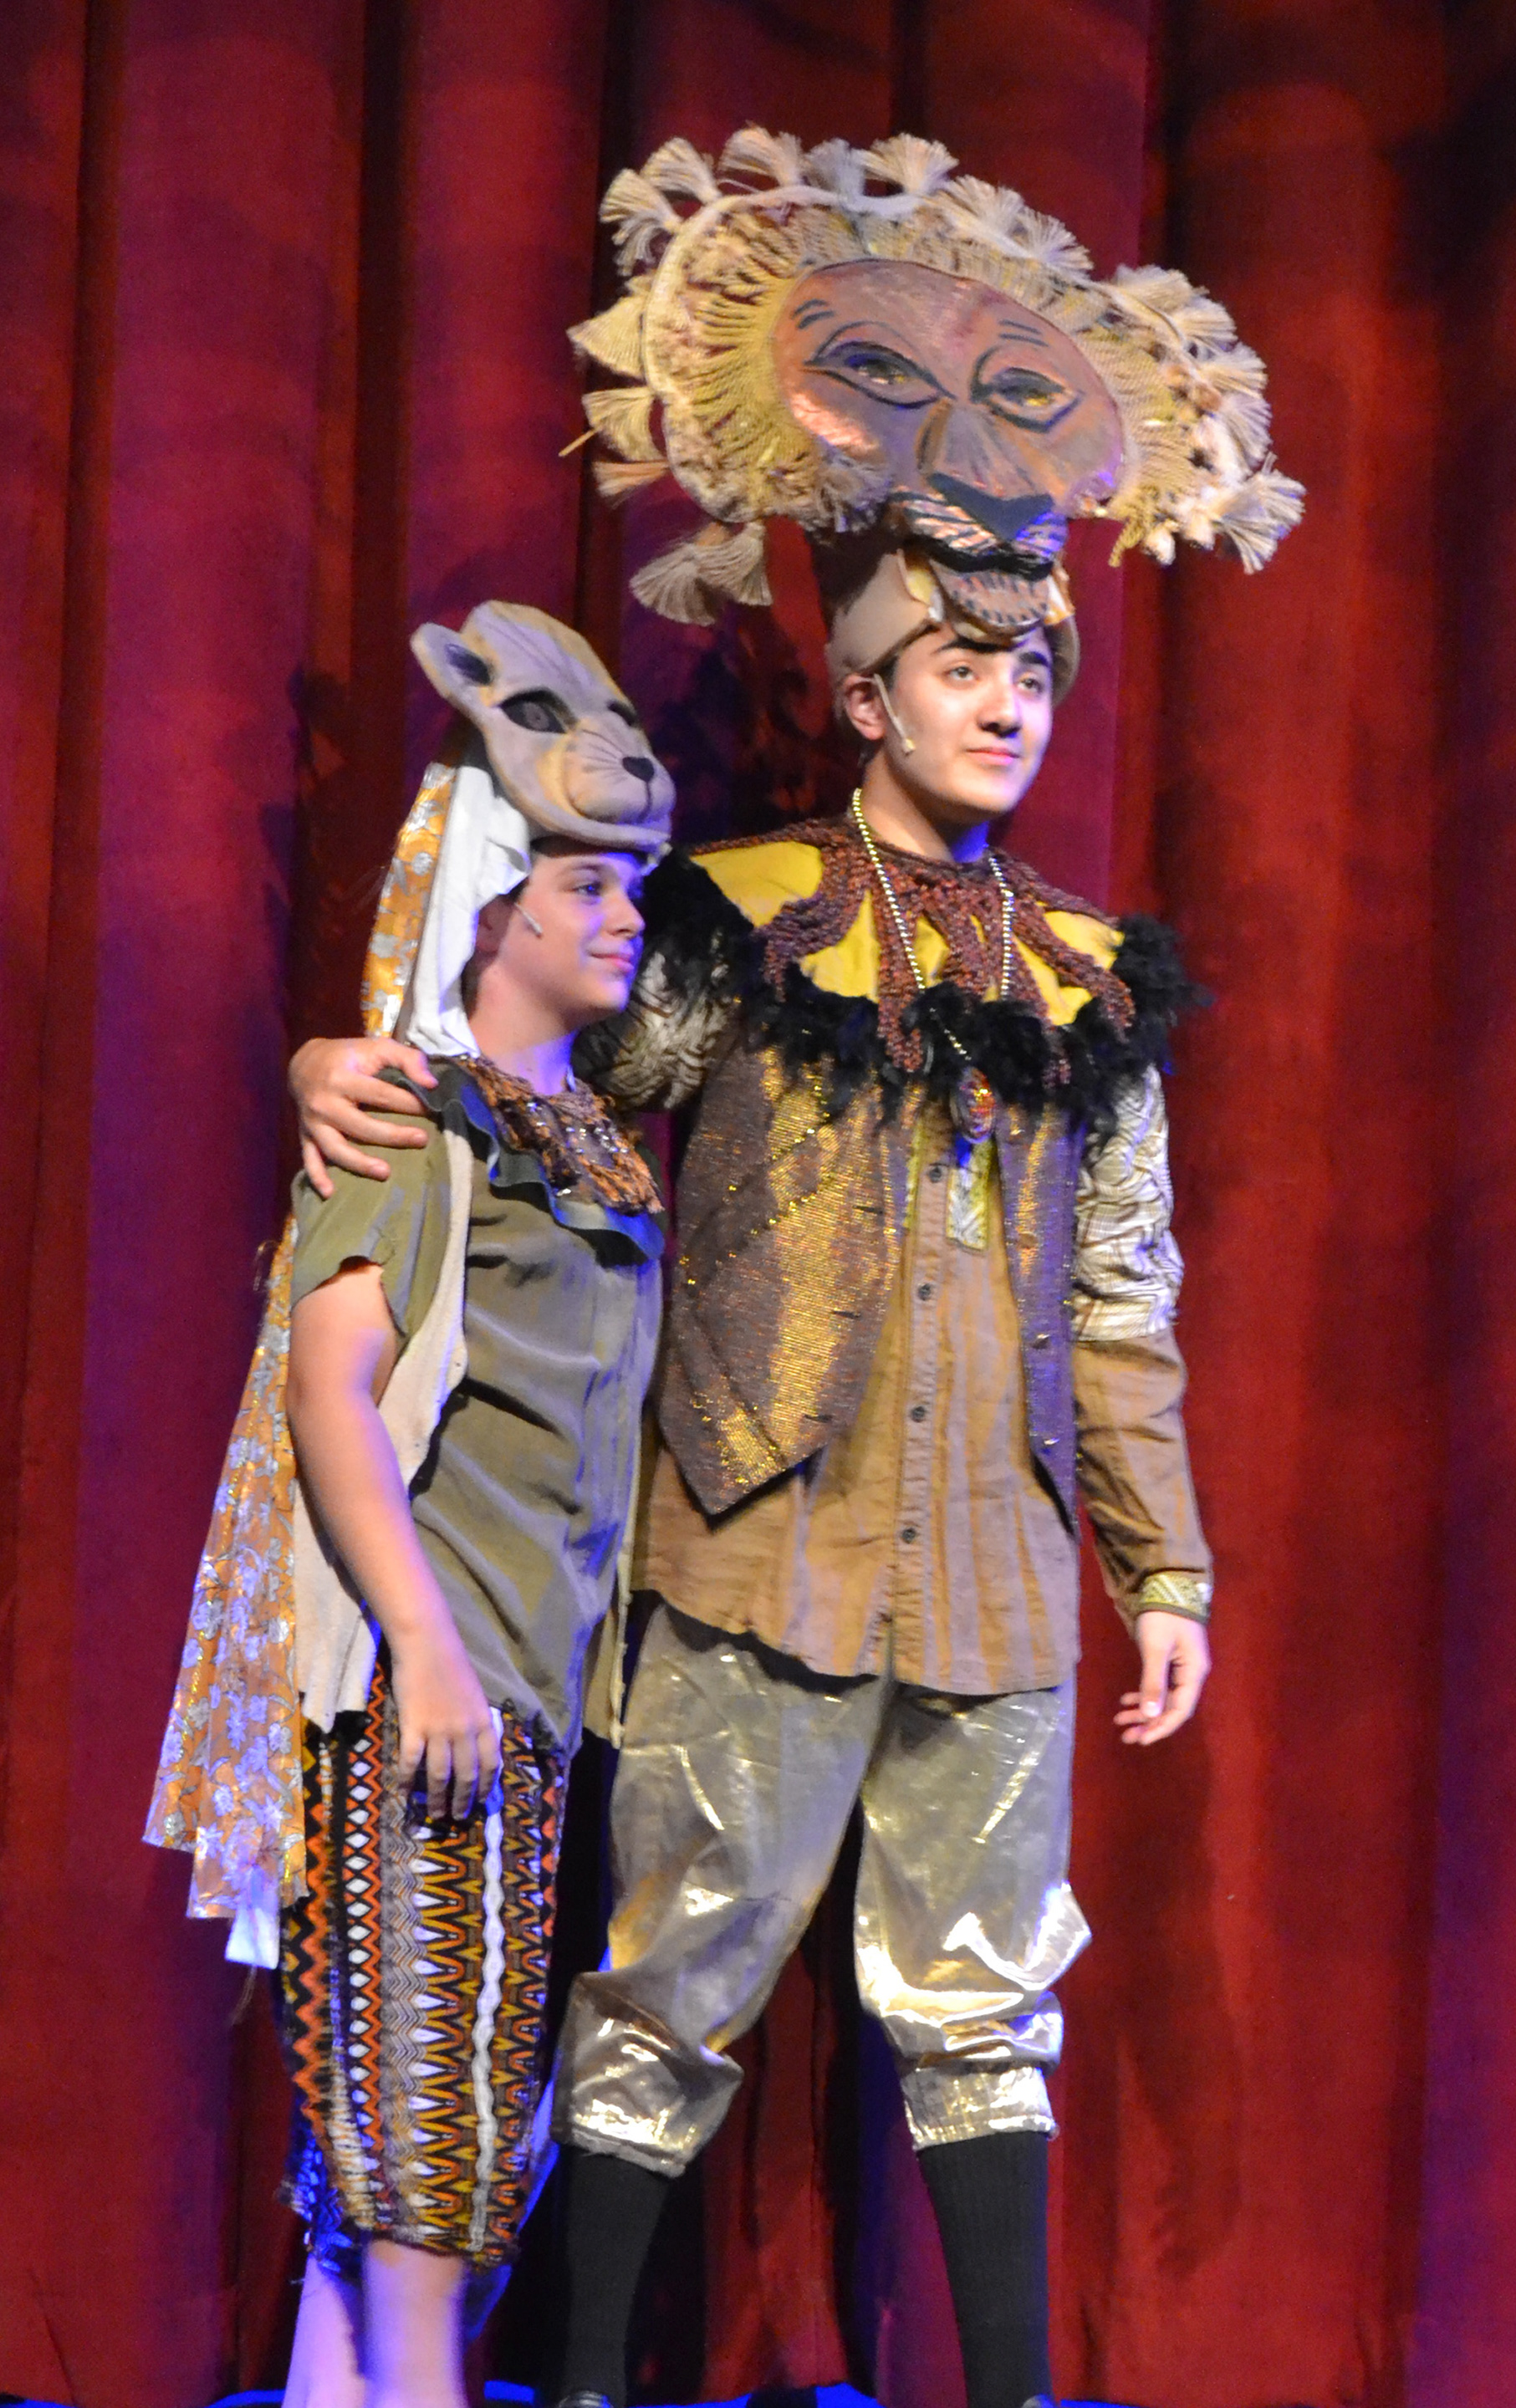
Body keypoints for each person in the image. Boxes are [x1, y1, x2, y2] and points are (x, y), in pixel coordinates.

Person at [286, 131, 1301, 2408]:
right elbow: (546, 1082)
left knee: (986, 1999)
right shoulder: (730, 922)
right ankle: (577, 2383)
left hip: (997, 1563)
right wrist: (350, 1054)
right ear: (863, 695)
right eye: (959, 664)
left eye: (1032, 669)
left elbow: (1120, 1287)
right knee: (673, 1979)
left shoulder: (1090, 977)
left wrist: (1165, 1564)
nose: (1005, 702)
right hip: (758, 1535)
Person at [148, 606, 674, 2408]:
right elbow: (334, 1395)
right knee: (430, 2121)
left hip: (535, 1684)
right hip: (422, 1684)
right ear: (493, 906)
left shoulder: (595, 1145)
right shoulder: (412, 1122)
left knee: (447, 2101)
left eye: (631, 888)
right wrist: (427, 1652)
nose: (623, 919)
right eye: (585, 887)